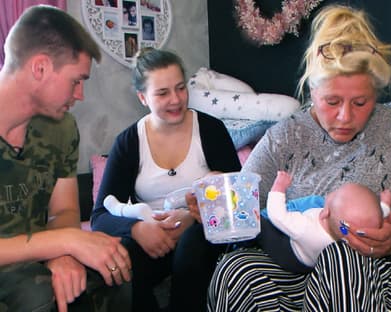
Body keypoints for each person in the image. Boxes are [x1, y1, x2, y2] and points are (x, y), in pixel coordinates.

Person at [201, 4, 391, 311]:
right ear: (312, 92)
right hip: (298, 274)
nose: (345, 116)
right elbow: (241, 209)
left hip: (382, 276)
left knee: (342, 258)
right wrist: (212, 203)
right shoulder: (284, 137)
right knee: (237, 269)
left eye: (360, 102)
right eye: (332, 101)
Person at [0, 5, 132, 312]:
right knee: (39, 298)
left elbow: (65, 209)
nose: (80, 94)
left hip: (34, 255)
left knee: (116, 269)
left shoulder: (60, 128)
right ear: (41, 68)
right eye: (76, 81)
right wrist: (65, 243)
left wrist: (63, 253)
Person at [90, 47, 241, 312]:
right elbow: (100, 215)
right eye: (162, 93)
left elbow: (238, 202)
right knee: (124, 256)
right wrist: (137, 229)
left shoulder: (211, 130)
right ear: (142, 98)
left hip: (203, 234)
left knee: (192, 247)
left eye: (180, 88)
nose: (176, 100)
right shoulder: (128, 142)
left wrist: (194, 217)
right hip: (153, 240)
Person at [257, 170, 391, 273]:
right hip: (313, 262)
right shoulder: (350, 231)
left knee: (262, 225)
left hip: (290, 254)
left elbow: (277, 215)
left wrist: (279, 188)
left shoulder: (306, 228)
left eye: (336, 193)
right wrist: (384, 206)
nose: (333, 191)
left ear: (325, 212)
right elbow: (370, 217)